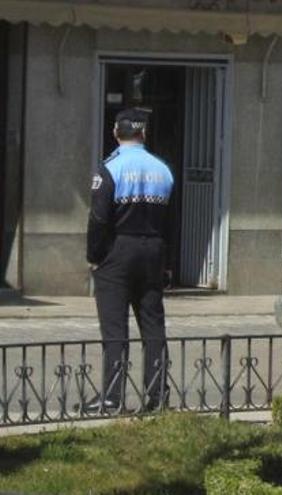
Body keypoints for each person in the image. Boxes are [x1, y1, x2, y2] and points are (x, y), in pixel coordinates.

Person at [82, 108, 174, 414]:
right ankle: (158, 396)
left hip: (118, 251)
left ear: (115, 133)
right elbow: (171, 220)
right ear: (143, 133)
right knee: (153, 325)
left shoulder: (110, 168)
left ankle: (111, 397)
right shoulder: (163, 169)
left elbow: (98, 218)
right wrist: (167, 259)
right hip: (153, 250)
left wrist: (94, 256)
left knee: (115, 328)